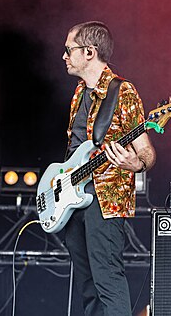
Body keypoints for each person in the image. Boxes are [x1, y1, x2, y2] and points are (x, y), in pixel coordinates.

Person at [62, 21, 156, 316]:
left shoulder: (122, 92)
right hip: (74, 197)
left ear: (89, 52)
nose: (64, 56)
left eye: (69, 50)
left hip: (105, 201)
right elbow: (76, 150)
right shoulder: (79, 93)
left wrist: (135, 163)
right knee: (87, 284)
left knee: (107, 279)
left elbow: (147, 153)